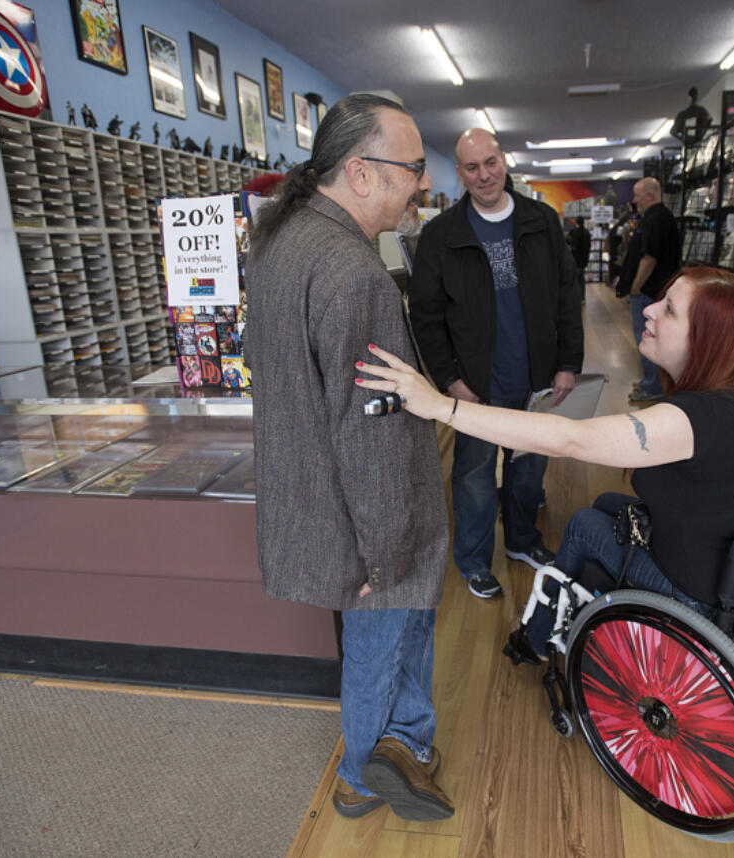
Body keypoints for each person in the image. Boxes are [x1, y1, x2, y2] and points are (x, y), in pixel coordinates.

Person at [356, 266, 734, 659]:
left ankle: (537, 639)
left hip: (700, 592)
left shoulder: (691, 418)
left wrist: (440, 407)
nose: (649, 309)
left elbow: (569, 439)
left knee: (584, 523)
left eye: (669, 310)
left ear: (703, 338)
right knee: (605, 504)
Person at [246, 94, 453, 823]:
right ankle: (365, 775)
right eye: (413, 169)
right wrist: (387, 548)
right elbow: (370, 435)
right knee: (383, 632)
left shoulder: (282, 244)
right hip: (361, 508)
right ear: (360, 172)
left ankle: (407, 746)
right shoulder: (354, 274)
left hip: (312, 496)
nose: (422, 184)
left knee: (389, 631)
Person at [408, 128, 583, 600]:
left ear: (503, 161)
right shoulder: (440, 236)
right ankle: (473, 560)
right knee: (474, 479)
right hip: (477, 385)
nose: (484, 175)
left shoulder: (541, 222)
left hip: (537, 379)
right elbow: (426, 317)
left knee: (528, 472)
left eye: (490, 162)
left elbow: (568, 295)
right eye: (471, 167)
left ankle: (523, 541)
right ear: (460, 173)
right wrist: (449, 379)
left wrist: (568, 361)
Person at [624, 177, 681, 402]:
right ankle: (652, 381)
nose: (635, 201)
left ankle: (652, 386)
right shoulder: (657, 217)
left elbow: (650, 258)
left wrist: (636, 287)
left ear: (650, 195)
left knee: (646, 337)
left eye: (638, 196)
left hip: (649, 291)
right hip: (655, 290)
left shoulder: (656, 219)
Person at [567, 215, 591, 300]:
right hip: (584, 259)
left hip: (576, 259)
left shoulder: (574, 232)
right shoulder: (587, 232)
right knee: (581, 279)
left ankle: (576, 298)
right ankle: (582, 298)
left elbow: (571, 243)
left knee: (576, 279)